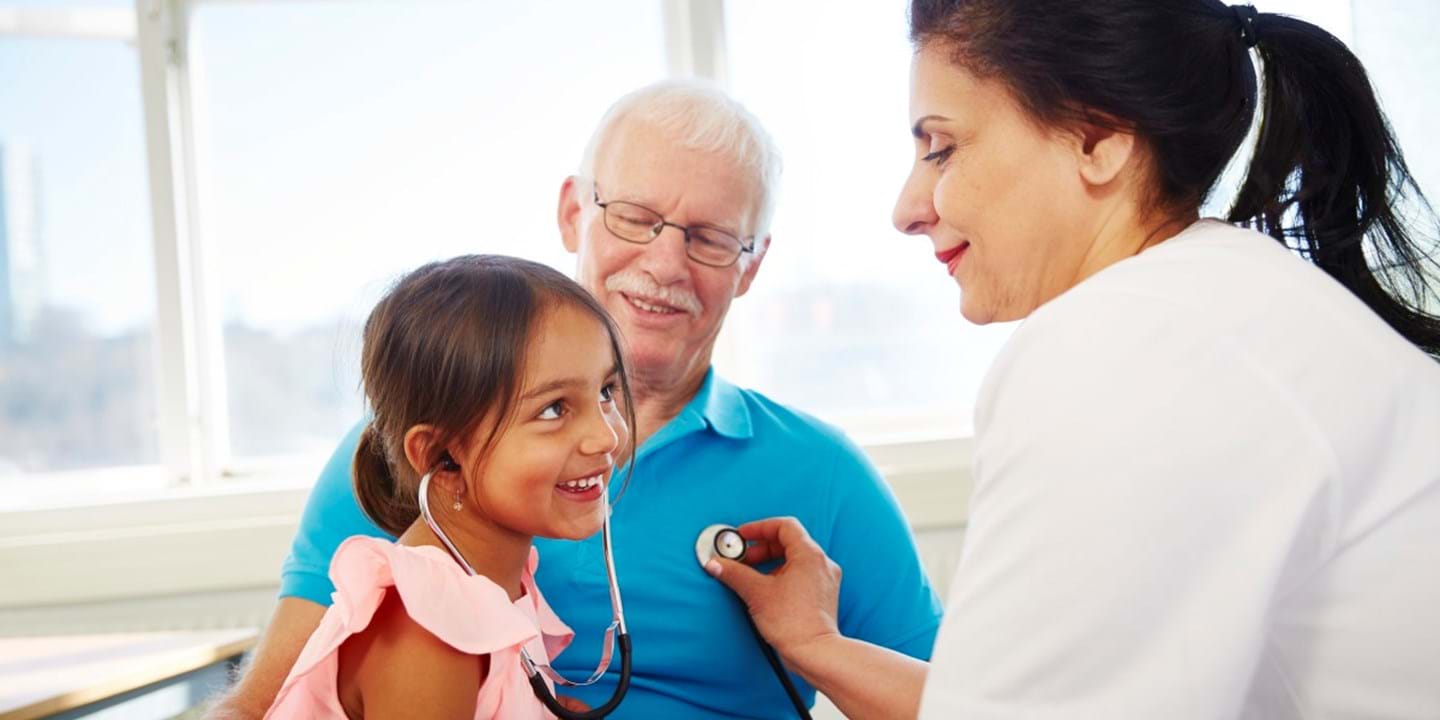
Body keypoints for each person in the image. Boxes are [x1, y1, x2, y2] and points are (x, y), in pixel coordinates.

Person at [706, 1, 1440, 718]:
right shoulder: (1222, 298)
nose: (907, 206)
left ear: (1096, 138)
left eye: (942, 148)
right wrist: (816, 644)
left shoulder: (1120, 344)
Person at [211, 81, 943, 719]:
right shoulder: (410, 455)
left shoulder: (823, 475)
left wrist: (820, 648)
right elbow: (259, 705)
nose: (664, 263)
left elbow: (962, 707)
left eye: (711, 238)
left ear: (753, 266)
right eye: (634, 216)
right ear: (572, 213)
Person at [264, 255, 632, 718]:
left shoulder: (491, 587)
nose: (607, 436)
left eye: (606, 392)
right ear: (444, 455)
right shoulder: (427, 633)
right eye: (554, 409)